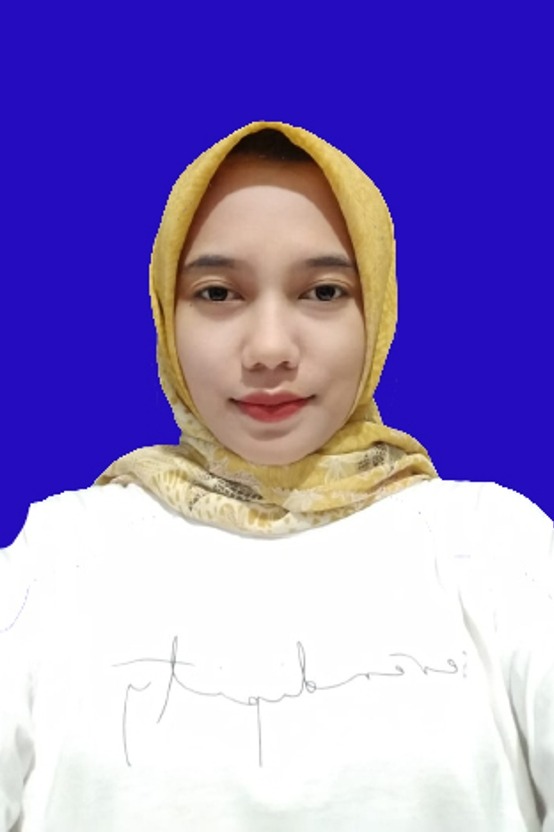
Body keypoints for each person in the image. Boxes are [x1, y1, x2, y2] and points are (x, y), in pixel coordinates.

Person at [0, 122, 552, 831]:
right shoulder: (60, 556)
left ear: (378, 309)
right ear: (166, 314)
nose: (268, 349)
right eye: (217, 293)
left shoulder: (495, 548)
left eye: (322, 292)